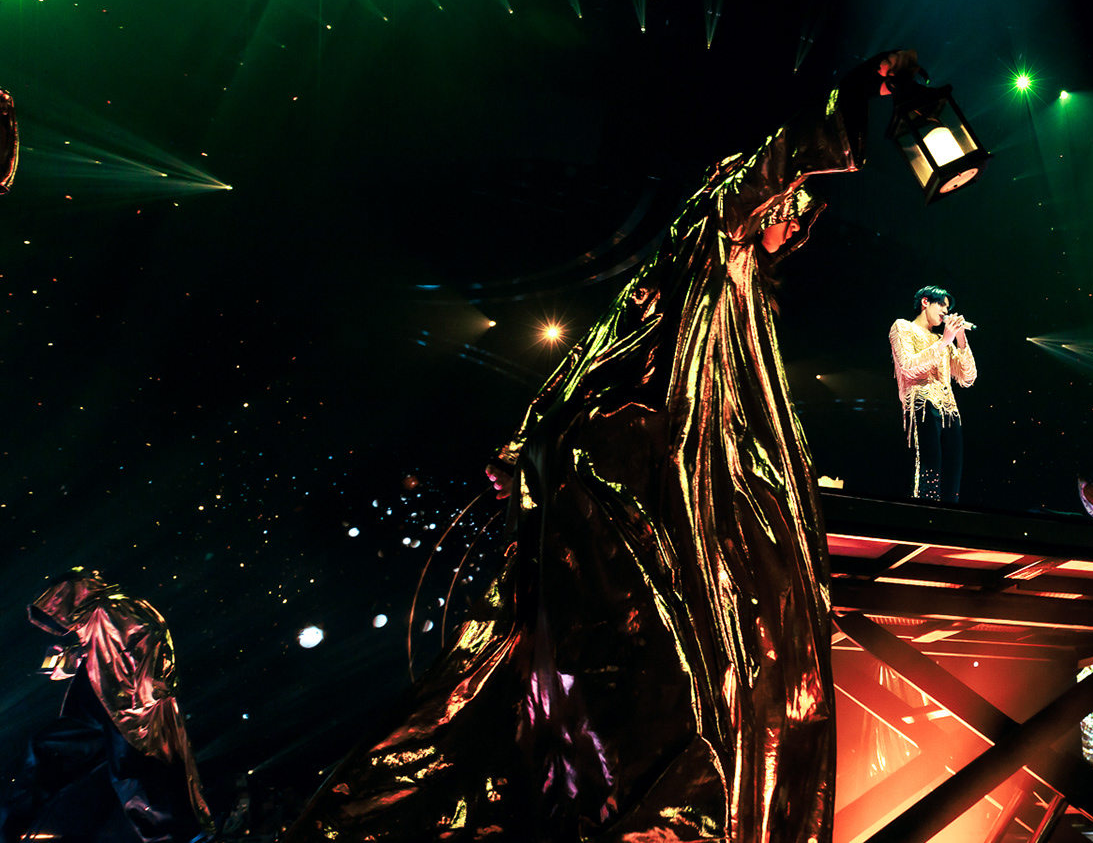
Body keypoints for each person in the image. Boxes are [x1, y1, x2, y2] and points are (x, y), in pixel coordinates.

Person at [287, 50, 925, 842]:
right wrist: (855, 94)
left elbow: (597, 346)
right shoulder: (708, 239)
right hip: (638, 476)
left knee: (725, 650)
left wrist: (525, 438)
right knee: (688, 657)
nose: (794, 227)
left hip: (665, 471)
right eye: (788, 210)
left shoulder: (727, 290)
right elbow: (752, 178)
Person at [0, 568, 213, 843]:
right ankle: (9, 825)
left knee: (138, 776)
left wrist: (150, 694)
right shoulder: (95, 617)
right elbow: (98, 656)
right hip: (100, 711)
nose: (58, 618)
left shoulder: (114, 607)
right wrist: (65, 660)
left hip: (130, 711)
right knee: (47, 751)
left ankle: (179, 836)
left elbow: (148, 640)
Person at [889, 285, 977, 501]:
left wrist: (960, 339)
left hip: (949, 411)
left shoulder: (942, 340)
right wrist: (945, 341)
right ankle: (925, 513)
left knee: (952, 470)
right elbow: (908, 366)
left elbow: (968, 378)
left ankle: (949, 514)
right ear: (925, 302)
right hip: (922, 405)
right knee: (929, 467)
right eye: (941, 305)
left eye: (948, 308)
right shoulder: (903, 327)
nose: (945, 311)